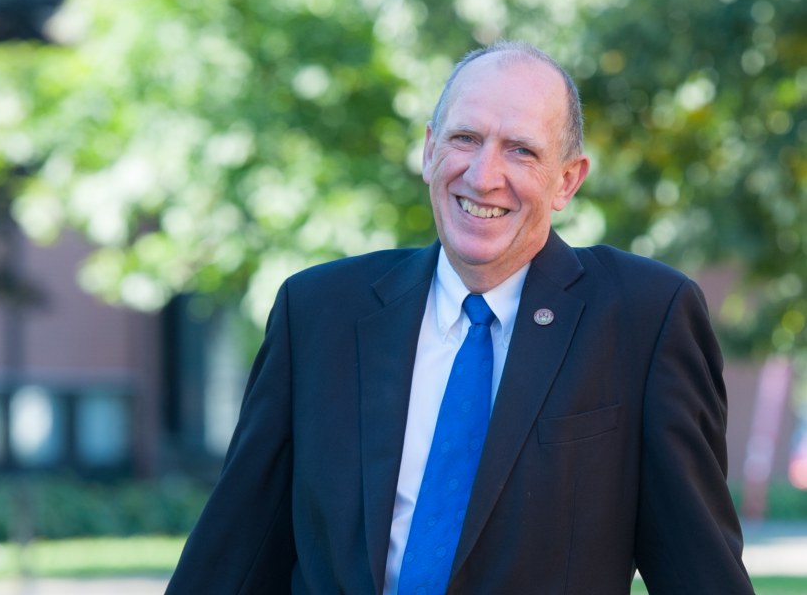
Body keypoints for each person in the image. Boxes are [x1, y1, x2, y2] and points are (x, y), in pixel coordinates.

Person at [166, 41, 754, 594]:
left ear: (567, 181)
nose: (483, 175)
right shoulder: (318, 313)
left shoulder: (645, 319)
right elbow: (234, 556)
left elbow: (698, 571)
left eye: (521, 150)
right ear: (429, 151)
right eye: (465, 138)